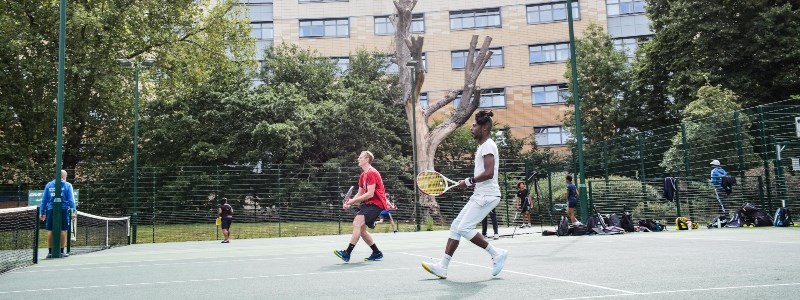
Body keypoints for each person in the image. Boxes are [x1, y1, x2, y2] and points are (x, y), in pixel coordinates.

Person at [421, 111, 508, 279]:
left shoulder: (488, 145)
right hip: (480, 194)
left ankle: (497, 253)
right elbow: (484, 174)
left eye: (474, 126)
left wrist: (468, 181)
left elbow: (489, 173)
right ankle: (442, 267)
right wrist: (471, 183)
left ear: (483, 128)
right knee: (456, 226)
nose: (472, 129)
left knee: (464, 228)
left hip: (488, 196)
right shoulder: (483, 147)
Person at [334, 150, 389, 262]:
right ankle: (376, 252)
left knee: (357, 223)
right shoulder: (363, 175)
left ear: (366, 160)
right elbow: (360, 194)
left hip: (376, 204)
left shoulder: (371, 173)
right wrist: (350, 203)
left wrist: (351, 201)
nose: (358, 159)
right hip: (368, 204)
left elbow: (370, 194)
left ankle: (347, 253)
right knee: (362, 230)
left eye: (360, 157)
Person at [39, 170, 76, 258]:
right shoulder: (68, 185)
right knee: (63, 230)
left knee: (50, 230)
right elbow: (71, 200)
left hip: (51, 209)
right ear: (64, 176)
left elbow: (44, 200)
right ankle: (62, 251)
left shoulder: (48, 185)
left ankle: (50, 252)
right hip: (63, 210)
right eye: (66, 176)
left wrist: (42, 212)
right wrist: (73, 212)